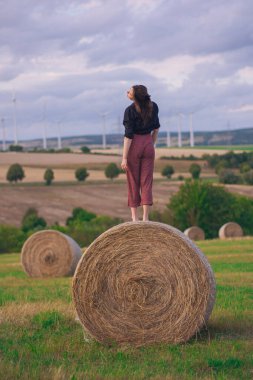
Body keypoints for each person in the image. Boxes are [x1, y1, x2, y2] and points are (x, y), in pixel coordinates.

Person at [121, 85, 160, 222]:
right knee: (146, 182)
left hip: (134, 145)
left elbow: (128, 136)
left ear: (135, 96)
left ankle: (134, 218)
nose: (127, 92)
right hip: (148, 143)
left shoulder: (130, 111)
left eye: (129, 91)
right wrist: (151, 144)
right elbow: (156, 129)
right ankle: (145, 217)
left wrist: (124, 157)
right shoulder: (153, 107)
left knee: (133, 182)